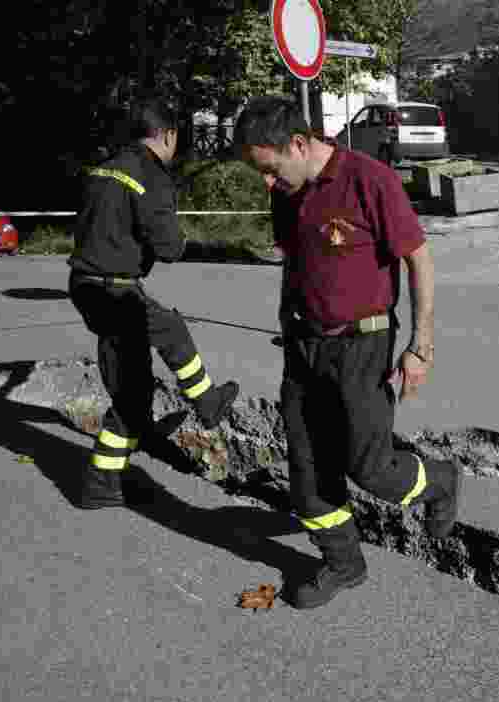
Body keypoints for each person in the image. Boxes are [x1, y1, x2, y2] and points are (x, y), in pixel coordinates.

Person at [232, 96, 462, 610]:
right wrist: (288, 320)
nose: (267, 183)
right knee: (306, 469)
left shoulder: (369, 179)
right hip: (304, 347)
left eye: (269, 170)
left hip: (364, 345)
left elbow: (418, 259)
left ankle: (441, 481)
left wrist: (420, 347)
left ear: (297, 143)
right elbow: (295, 261)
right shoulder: (286, 192)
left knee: (372, 468)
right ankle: (343, 562)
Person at [67, 93, 240, 509]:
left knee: (135, 389)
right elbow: (167, 246)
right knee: (169, 332)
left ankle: (108, 477)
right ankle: (206, 402)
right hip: (115, 290)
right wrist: (182, 242)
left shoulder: (104, 168)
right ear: (167, 134)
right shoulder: (151, 174)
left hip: (87, 283)